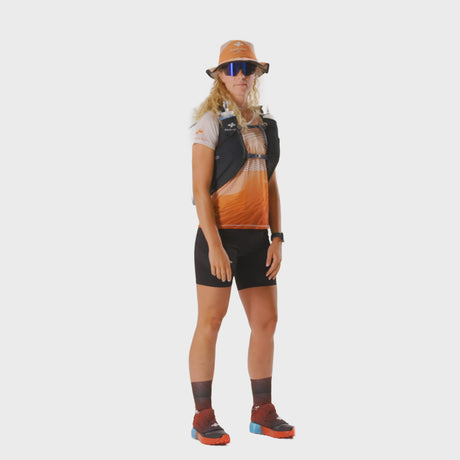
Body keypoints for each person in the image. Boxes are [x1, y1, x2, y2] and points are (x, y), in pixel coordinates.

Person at [189, 40, 294, 445]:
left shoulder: (266, 125)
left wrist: (277, 237)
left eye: (247, 68)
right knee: (210, 322)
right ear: (219, 75)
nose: (241, 76)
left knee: (266, 322)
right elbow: (200, 192)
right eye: (232, 69)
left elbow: (271, 187)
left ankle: (262, 411)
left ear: (256, 74)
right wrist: (214, 245)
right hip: (219, 238)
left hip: (256, 240)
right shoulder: (209, 122)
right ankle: (203, 416)